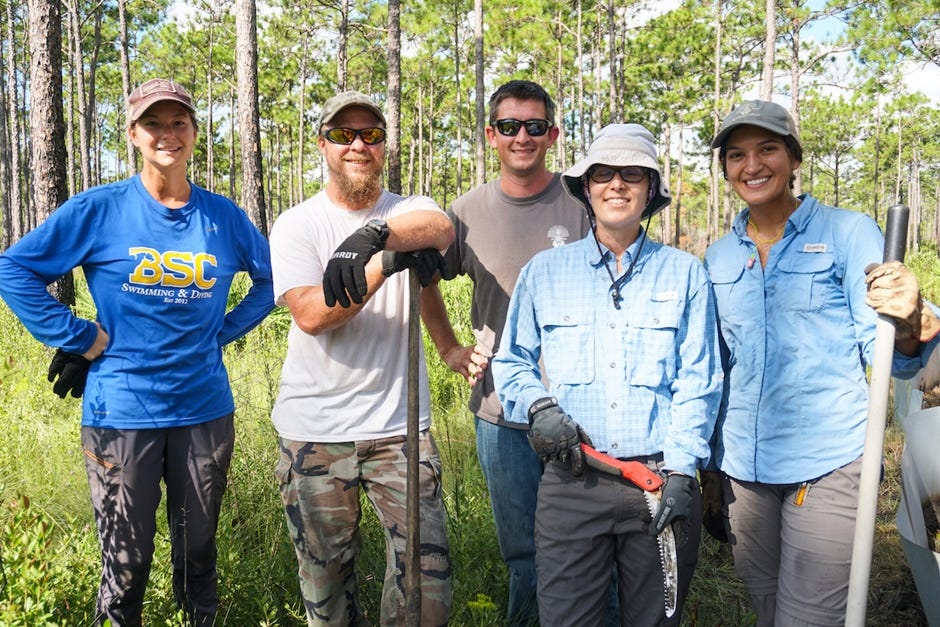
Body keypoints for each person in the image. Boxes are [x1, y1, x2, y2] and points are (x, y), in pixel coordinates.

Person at [0, 78, 274, 625]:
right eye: (154, 123)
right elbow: (15, 269)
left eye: (179, 122)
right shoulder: (100, 210)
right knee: (126, 560)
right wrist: (78, 336)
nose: (167, 134)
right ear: (132, 134)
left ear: (195, 133)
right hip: (121, 412)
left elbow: (271, 280)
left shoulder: (223, 216)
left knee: (198, 551)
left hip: (204, 411)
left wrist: (224, 330)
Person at [701, 99, 940, 626]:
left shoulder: (846, 232)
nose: (752, 165)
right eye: (736, 155)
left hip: (829, 460)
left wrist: (911, 318)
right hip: (744, 469)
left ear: (793, 158)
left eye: (767, 149)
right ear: (725, 170)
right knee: (765, 607)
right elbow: (714, 369)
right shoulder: (718, 257)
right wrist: (709, 468)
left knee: (808, 618)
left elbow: (897, 355)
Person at [492, 123, 723, 626]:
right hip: (573, 480)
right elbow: (511, 361)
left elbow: (699, 380)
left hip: (657, 483)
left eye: (632, 174)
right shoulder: (545, 273)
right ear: (587, 188)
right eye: (603, 174)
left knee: (655, 620)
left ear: (650, 190)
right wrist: (538, 406)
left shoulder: (685, 273)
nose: (616, 184)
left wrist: (683, 471)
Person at [268, 90, 454, 626]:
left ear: (384, 146)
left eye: (370, 135)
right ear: (322, 144)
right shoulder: (297, 224)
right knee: (326, 583)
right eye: (343, 135)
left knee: (426, 581)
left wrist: (371, 236)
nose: (357, 145)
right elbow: (311, 315)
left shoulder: (405, 209)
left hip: (400, 431)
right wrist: (383, 264)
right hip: (316, 433)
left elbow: (440, 229)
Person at [420, 79, 590, 625]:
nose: (523, 136)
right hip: (500, 410)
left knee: (587, 551)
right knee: (524, 556)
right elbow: (426, 279)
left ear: (553, 134)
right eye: (511, 126)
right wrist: (448, 348)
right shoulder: (465, 211)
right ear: (491, 135)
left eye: (535, 126)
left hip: (580, 407)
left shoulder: (582, 200)